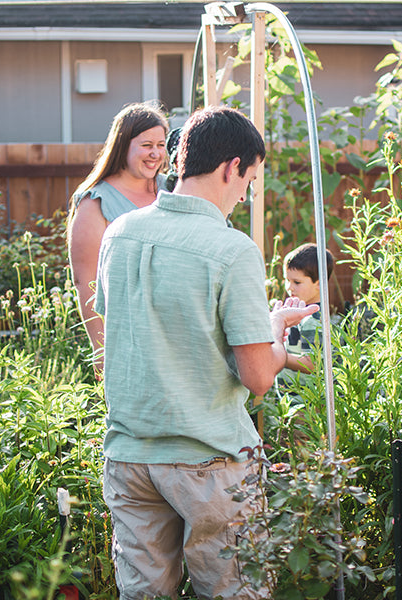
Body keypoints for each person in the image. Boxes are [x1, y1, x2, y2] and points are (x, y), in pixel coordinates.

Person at [94, 106, 318, 600]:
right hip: (207, 460)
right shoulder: (231, 248)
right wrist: (276, 336)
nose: (246, 193)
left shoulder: (119, 234)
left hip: (130, 456)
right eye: (250, 179)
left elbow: (133, 331)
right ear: (230, 167)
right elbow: (258, 376)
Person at [67, 102, 169, 372]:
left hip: (177, 332)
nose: (155, 153)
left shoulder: (172, 189)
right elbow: (85, 281)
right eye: (146, 145)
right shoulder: (96, 202)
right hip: (128, 336)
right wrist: (101, 348)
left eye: (161, 144)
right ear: (123, 145)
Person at [279, 242, 335, 377]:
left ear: (319, 284)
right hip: (292, 395)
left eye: (297, 282)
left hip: (303, 396)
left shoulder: (313, 319)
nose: (289, 287)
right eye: (287, 280)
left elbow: (312, 364)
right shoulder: (299, 313)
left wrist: (278, 357)